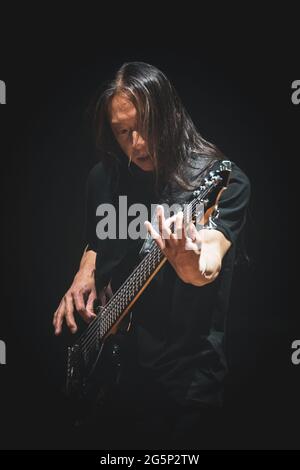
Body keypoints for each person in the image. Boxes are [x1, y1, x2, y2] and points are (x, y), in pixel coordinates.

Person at [53, 62, 250, 449]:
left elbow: (210, 259)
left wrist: (188, 262)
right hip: (115, 381)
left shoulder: (219, 182)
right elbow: (99, 237)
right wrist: (85, 268)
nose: (137, 143)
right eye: (122, 131)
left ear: (170, 112)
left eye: (145, 124)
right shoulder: (104, 177)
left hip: (184, 389)